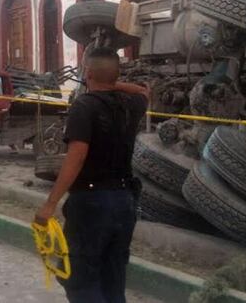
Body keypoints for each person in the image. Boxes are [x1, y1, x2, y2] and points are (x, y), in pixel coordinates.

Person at [34, 47, 149, 303]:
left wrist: (50, 203)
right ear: (115, 75)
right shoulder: (132, 104)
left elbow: (77, 156)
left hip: (91, 203)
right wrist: (110, 80)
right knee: (113, 279)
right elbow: (143, 91)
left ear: (87, 73)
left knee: (81, 281)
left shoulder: (83, 106)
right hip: (124, 201)